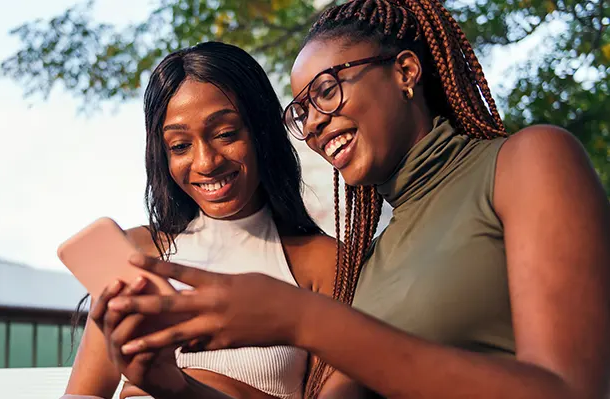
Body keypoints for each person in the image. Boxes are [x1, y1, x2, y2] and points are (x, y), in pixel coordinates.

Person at [98, 1, 610, 398]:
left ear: (405, 72)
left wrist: (300, 318)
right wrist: (176, 388)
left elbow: (572, 390)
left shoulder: (527, 162)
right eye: (301, 110)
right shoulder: (367, 263)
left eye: (326, 90)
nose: (314, 122)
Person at [62, 41, 346, 399]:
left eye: (225, 134)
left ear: (262, 132)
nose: (206, 162)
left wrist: (188, 385)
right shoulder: (137, 252)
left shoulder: (323, 264)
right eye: (180, 146)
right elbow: (82, 395)